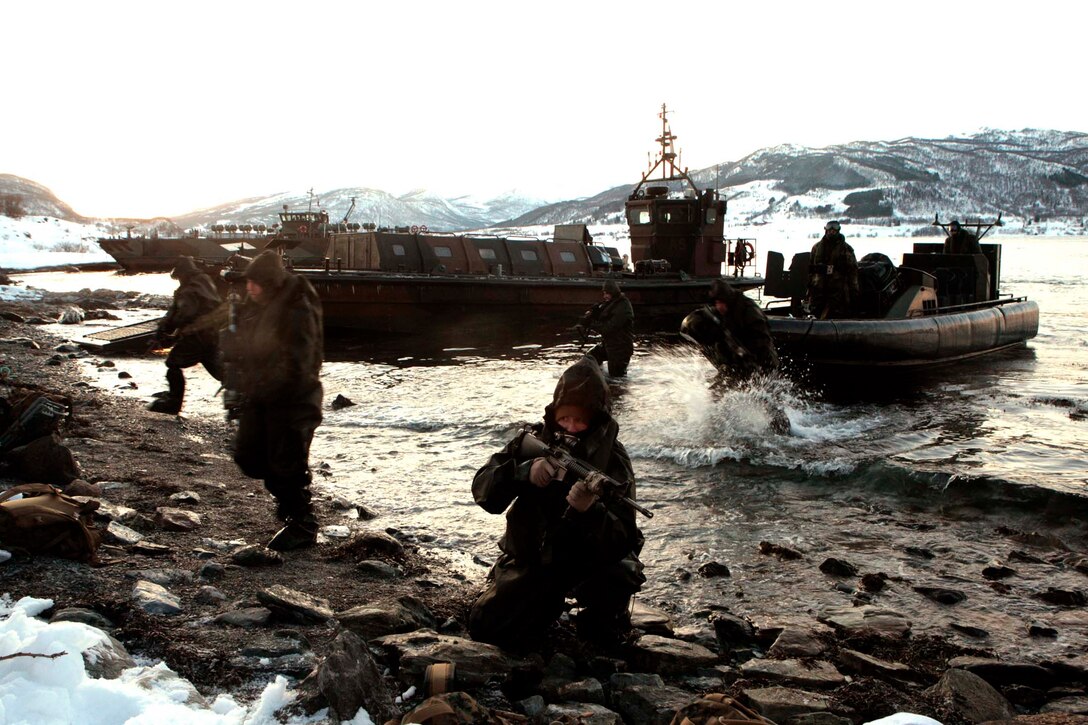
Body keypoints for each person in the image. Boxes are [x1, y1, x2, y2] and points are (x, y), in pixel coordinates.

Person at [468, 356, 646, 652]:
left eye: (580, 420)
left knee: (605, 635)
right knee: (486, 627)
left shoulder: (612, 459)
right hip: (534, 556)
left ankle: (599, 617)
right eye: (565, 419)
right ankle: (536, 598)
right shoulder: (533, 440)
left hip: (587, 561)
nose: (572, 427)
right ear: (554, 415)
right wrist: (523, 472)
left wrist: (591, 511)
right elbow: (484, 492)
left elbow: (624, 537)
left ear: (596, 418)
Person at [226, 250, 324, 551]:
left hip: (293, 398)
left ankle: (303, 524)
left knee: (286, 463)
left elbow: (299, 359)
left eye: (254, 283)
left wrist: (268, 385)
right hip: (261, 395)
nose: (249, 289)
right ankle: (288, 505)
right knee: (249, 455)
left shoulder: (297, 308)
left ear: (269, 283)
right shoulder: (259, 306)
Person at [148, 256, 223, 415]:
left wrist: (164, 330)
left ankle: (173, 403)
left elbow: (183, 314)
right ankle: (245, 396)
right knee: (220, 371)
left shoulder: (189, 290)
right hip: (212, 334)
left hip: (195, 336)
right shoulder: (204, 281)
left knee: (173, 364)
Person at [681, 279, 779, 380]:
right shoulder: (721, 311)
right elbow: (692, 322)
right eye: (716, 302)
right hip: (733, 362)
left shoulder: (750, 313)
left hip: (757, 362)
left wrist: (747, 356)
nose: (718, 306)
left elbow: (762, 343)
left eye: (721, 302)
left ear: (727, 300)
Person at [579, 280, 634, 377]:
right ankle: (597, 377)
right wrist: (593, 314)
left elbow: (608, 328)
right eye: (604, 293)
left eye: (607, 293)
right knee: (591, 357)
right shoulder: (611, 303)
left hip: (620, 349)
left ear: (613, 293)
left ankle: (617, 389)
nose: (605, 296)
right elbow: (602, 315)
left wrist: (591, 323)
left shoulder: (623, 306)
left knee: (617, 378)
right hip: (609, 345)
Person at [806, 220, 859, 319]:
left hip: (838, 289)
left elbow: (853, 271)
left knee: (836, 313)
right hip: (819, 287)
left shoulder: (847, 249)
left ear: (838, 230)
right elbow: (810, 268)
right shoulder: (816, 248)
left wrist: (854, 291)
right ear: (825, 229)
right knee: (816, 311)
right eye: (829, 228)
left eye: (834, 228)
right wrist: (809, 287)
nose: (832, 231)